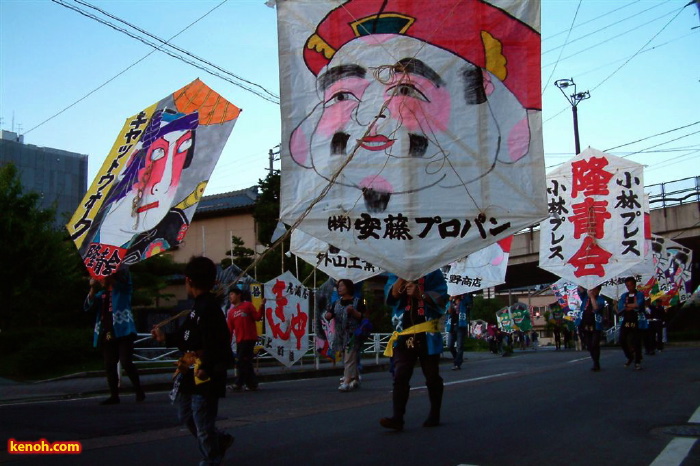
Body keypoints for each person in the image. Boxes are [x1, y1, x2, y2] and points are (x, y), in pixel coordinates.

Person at [151, 256, 234, 465]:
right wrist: (165, 337)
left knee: (202, 421)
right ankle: (219, 440)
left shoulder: (209, 309)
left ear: (188, 280)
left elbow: (217, 342)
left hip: (205, 375)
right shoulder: (197, 307)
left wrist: (205, 366)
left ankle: (211, 457)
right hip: (192, 372)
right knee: (186, 415)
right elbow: (185, 336)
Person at [380, 270, 447, 431]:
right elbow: (391, 296)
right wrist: (403, 277)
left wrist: (421, 295)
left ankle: (435, 413)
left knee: (431, 375)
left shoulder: (433, 271)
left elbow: (442, 299)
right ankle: (397, 418)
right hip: (404, 332)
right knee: (400, 374)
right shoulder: (395, 270)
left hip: (427, 332)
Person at [85, 266, 144, 405]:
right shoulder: (101, 295)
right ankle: (114, 395)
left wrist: (112, 272)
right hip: (107, 332)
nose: (100, 280)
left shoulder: (123, 290)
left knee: (126, 361)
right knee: (109, 365)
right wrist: (93, 289)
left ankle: (138, 389)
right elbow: (88, 307)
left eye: (102, 277)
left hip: (124, 331)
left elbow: (125, 278)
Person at [324, 279, 366, 391]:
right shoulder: (336, 303)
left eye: (342, 286)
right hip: (340, 335)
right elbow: (330, 314)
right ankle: (356, 378)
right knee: (348, 357)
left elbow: (363, 316)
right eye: (338, 286)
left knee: (349, 357)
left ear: (348, 287)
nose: (339, 288)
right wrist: (328, 316)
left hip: (353, 334)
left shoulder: (357, 301)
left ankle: (346, 381)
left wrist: (354, 312)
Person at [227, 287, 263, 391]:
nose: (230, 297)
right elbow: (230, 330)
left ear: (239, 295)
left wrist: (261, 307)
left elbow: (257, 317)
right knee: (245, 361)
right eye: (229, 295)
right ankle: (252, 383)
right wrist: (227, 343)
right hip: (240, 340)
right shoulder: (231, 312)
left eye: (232, 294)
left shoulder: (247, 305)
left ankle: (238, 384)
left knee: (241, 361)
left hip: (249, 338)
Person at [617, 276, 647, 370]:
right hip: (626, 319)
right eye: (627, 285)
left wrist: (629, 306)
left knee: (637, 341)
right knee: (622, 339)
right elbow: (621, 307)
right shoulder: (624, 296)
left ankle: (637, 361)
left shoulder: (640, 294)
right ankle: (630, 356)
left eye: (630, 285)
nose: (629, 287)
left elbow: (638, 304)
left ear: (634, 285)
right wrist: (630, 306)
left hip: (636, 320)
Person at [575, 285, 606, 372]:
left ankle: (596, 363)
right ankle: (595, 360)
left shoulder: (600, 299)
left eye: (594, 289)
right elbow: (580, 288)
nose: (592, 291)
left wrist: (592, 297)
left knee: (594, 344)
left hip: (595, 325)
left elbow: (596, 308)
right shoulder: (585, 297)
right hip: (585, 324)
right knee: (589, 345)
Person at [445, 294, 471, 370]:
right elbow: (448, 311)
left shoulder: (464, 301)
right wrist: (450, 301)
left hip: (461, 325)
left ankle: (457, 363)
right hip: (451, 326)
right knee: (450, 345)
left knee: (460, 345)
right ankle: (457, 357)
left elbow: (469, 302)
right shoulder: (450, 302)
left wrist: (463, 296)